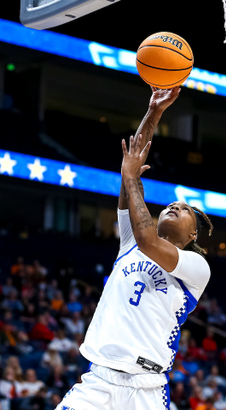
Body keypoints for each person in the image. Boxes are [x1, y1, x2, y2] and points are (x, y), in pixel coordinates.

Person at [56, 86, 214, 410]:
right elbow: (135, 157)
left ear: (193, 234)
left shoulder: (196, 268)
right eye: (170, 204)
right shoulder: (130, 241)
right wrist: (154, 111)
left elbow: (149, 240)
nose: (173, 207)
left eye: (182, 209)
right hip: (98, 382)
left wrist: (130, 180)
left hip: (146, 391)